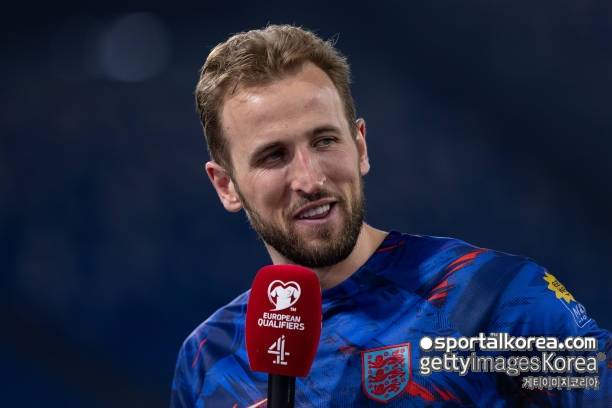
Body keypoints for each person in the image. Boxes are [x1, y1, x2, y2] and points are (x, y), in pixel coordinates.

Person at [171, 25, 610, 407]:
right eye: (273, 156)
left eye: (324, 141)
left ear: (360, 146)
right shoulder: (208, 359)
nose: (310, 178)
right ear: (226, 185)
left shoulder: (493, 300)